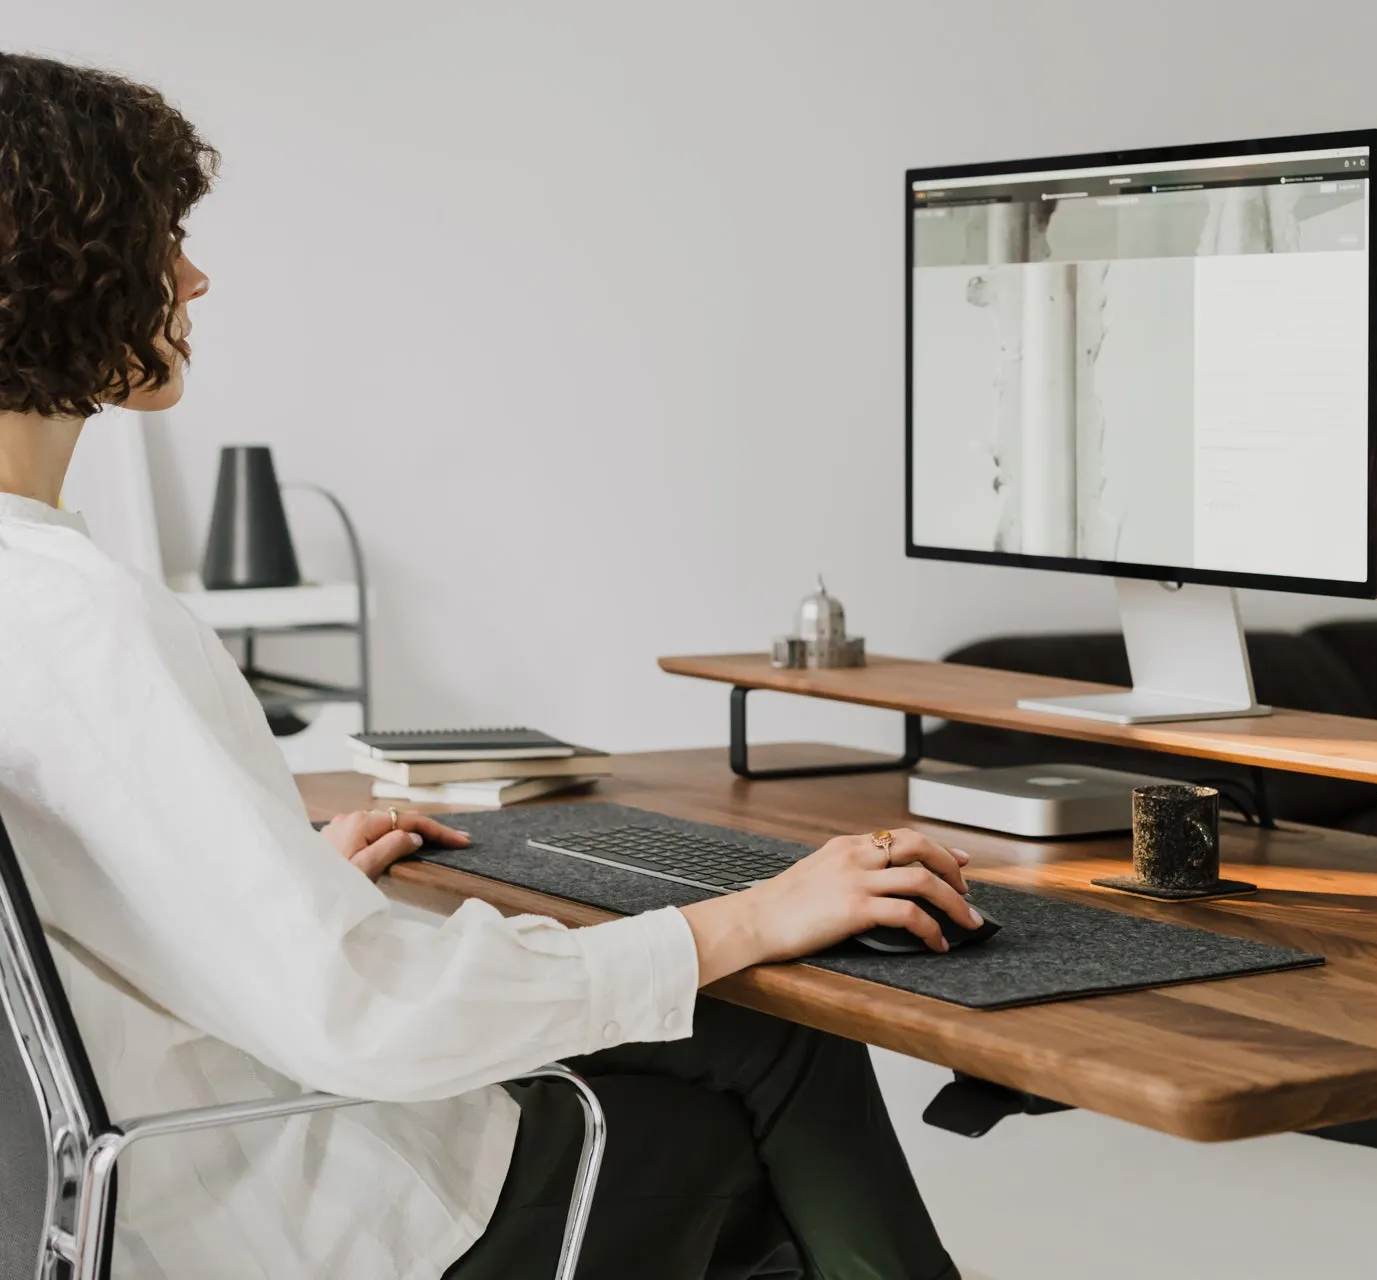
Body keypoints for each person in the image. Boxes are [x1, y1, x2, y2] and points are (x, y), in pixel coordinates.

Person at [0, 51, 968, 1280]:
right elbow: (365, 1015)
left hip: (122, 1208)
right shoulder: (87, 619)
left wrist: (275, 887)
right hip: (306, 1217)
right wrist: (753, 910)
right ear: (58, 273)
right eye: (161, 238)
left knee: (716, 1042)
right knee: (768, 1069)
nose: (193, 276)